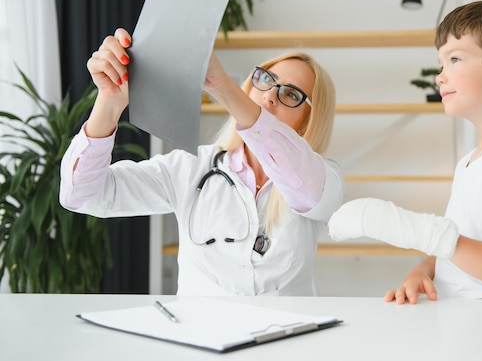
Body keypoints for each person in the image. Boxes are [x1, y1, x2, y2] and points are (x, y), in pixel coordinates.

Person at [59, 28, 344, 296]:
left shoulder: (323, 178)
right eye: (266, 80)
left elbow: (302, 182)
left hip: (287, 342)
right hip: (201, 340)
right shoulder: (190, 168)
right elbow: (84, 195)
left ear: (310, 120)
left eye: (291, 94)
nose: (270, 96)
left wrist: (225, 89)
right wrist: (109, 102)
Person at [328, 0, 482, 303]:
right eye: (441, 64)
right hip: (461, 322)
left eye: (455, 59)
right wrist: (423, 271)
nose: (440, 76)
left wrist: (407, 228)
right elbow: (459, 246)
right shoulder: (471, 160)